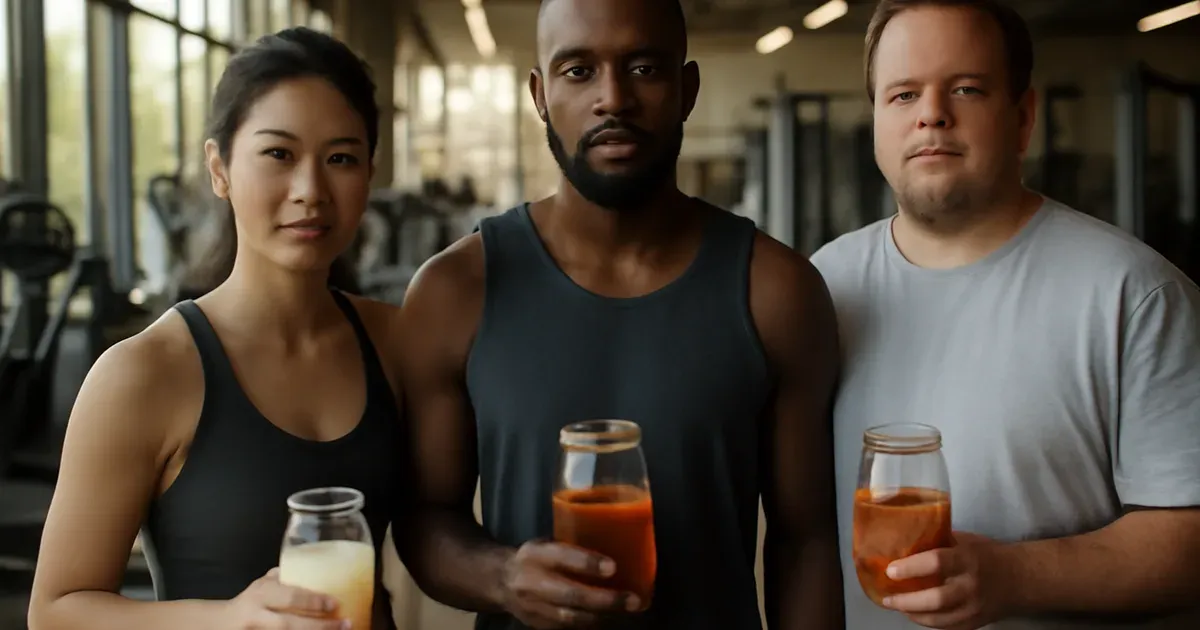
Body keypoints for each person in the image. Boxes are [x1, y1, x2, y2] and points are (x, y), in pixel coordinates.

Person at [392, 0, 844, 629]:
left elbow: (806, 540)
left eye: (643, 68)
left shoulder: (777, 290)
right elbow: (424, 517)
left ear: (686, 90)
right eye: (578, 71)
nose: (613, 99)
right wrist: (503, 577)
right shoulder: (453, 291)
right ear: (540, 94)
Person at [810, 1, 1200, 629]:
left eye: (966, 88)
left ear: (1023, 118)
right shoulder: (822, 286)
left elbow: (1191, 542)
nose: (931, 114)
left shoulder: (1133, 293)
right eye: (903, 94)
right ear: (877, 119)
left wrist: (1014, 576)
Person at [28, 28, 405, 630]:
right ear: (219, 168)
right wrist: (230, 619)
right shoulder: (145, 373)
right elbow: (54, 612)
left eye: (341, 158)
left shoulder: (395, 342)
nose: (311, 191)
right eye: (278, 154)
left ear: (369, 176)